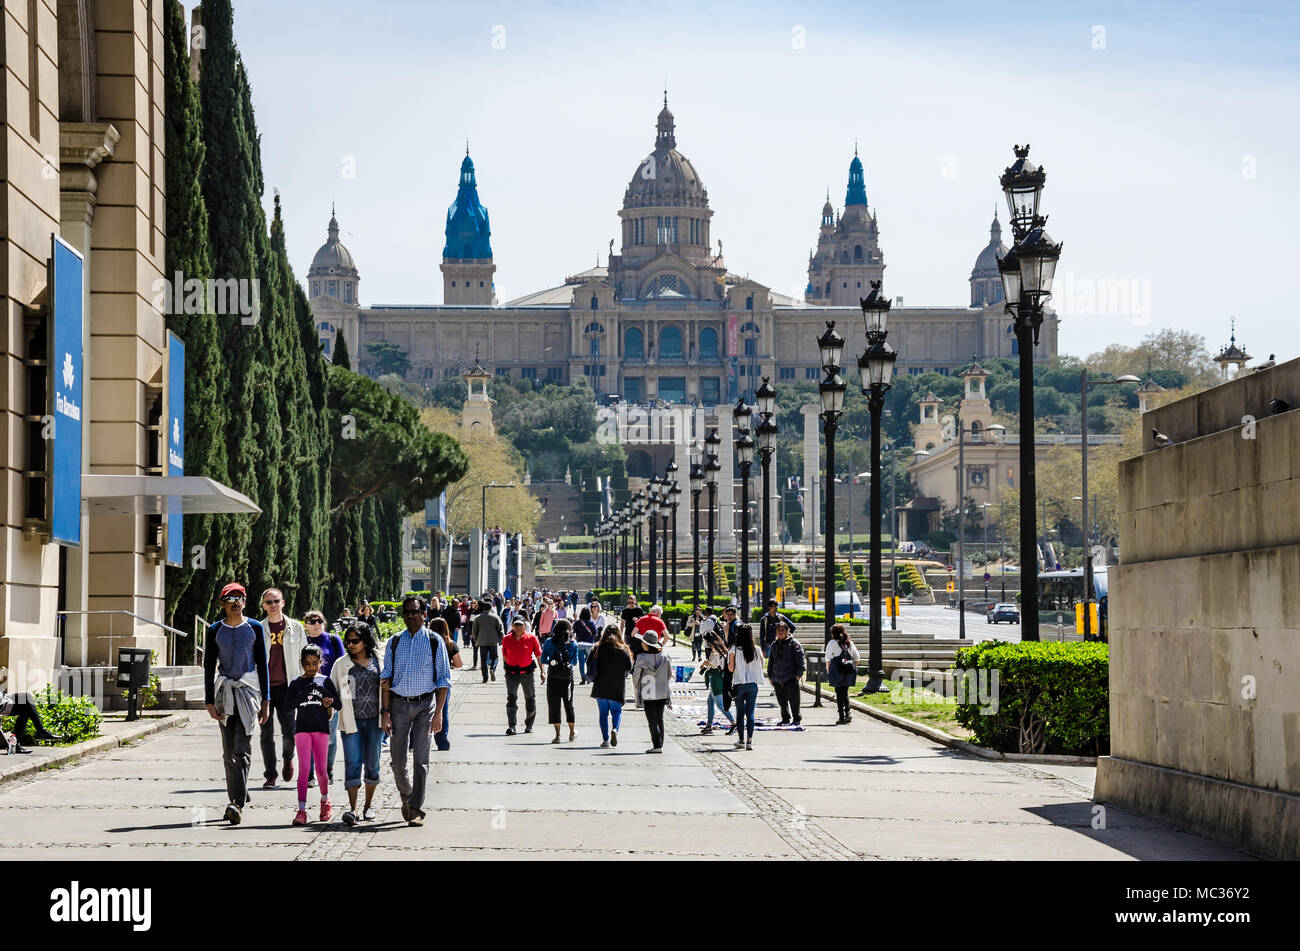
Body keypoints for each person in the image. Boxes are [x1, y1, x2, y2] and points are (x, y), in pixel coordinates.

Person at [381, 596, 452, 827]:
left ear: (424, 614)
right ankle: (407, 796)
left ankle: (416, 808)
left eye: (415, 612)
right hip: (399, 705)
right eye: (407, 612)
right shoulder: (394, 642)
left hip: (425, 706)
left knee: (421, 760)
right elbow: (386, 679)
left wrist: (439, 713)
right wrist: (385, 712)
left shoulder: (434, 641)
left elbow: (443, 680)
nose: (410, 616)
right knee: (397, 761)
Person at [203, 582, 270, 825]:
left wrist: (266, 700)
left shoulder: (253, 627)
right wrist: (209, 700)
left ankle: (236, 803)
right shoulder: (214, 630)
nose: (235, 602)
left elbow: (262, 664)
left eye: (239, 597)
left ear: (244, 602)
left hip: (249, 692)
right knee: (229, 751)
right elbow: (209, 666)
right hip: (224, 694)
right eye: (230, 598)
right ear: (223, 603)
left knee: (242, 749)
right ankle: (238, 793)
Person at [330, 619, 384, 825]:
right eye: (348, 641)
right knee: (353, 763)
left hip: (375, 720)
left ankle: (368, 807)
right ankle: (352, 809)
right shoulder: (342, 664)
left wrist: (388, 715)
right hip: (351, 721)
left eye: (355, 641)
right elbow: (333, 690)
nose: (351, 645)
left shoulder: (379, 660)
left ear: (365, 641)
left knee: (373, 764)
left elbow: (388, 686)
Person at [258, 587, 306, 789]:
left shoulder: (296, 627)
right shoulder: (257, 628)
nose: (273, 605)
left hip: (288, 688)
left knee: (289, 731)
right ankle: (270, 775)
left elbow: (304, 657)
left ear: (283, 603)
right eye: (269, 602)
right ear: (263, 606)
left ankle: (288, 758)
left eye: (276, 601)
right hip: (265, 689)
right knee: (266, 734)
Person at [286, 644, 339, 825]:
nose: (311, 668)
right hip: (302, 730)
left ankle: (325, 801)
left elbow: (337, 703)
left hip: (321, 729)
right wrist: (300, 696)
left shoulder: (325, 681)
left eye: (315, 663)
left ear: (320, 663)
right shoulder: (296, 683)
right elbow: (287, 706)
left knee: (321, 769)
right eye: (307, 664)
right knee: (304, 770)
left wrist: (328, 702)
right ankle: (301, 810)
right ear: (301, 663)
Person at [302, 610, 345, 783]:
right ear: (306, 625)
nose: (316, 623)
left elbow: (342, 665)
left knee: (331, 736)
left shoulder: (333, 640)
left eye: (319, 620)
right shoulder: (302, 641)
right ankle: (311, 774)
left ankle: (328, 769)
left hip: (330, 692)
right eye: (312, 621)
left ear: (324, 622)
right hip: (308, 693)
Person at [588, 627, 632, 748]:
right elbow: (629, 667)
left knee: (603, 714)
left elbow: (589, 663)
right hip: (617, 686)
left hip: (600, 686)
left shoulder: (597, 648)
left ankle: (606, 740)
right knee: (616, 711)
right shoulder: (623, 649)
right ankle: (615, 730)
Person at [631, 631, 672, 753]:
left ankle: (656, 745)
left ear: (646, 644)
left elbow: (636, 676)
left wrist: (637, 687)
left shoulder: (641, 658)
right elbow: (669, 675)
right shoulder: (665, 657)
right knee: (660, 718)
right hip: (662, 690)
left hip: (648, 691)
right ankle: (660, 744)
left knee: (652, 720)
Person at [501, 618, 543, 735]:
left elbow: (539, 655)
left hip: (527, 674)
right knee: (511, 699)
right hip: (512, 674)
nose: (518, 628)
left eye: (521, 625)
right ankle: (512, 726)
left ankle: (529, 725)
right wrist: (506, 669)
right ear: (513, 626)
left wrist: (542, 671)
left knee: (530, 699)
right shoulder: (506, 639)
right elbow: (504, 655)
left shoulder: (531, 638)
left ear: (524, 626)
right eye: (516, 625)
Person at [727, 622, 764, 751]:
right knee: (750, 713)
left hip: (739, 684)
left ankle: (741, 739)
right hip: (753, 684)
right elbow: (762, 665)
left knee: (740, 713)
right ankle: (750, 741)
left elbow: (731, 668)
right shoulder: (756, 649)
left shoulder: (733, 650)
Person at [542, 619, 578, 743]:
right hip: (567, 678)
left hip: (553, 677)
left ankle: (557, 735)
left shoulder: (548, 642)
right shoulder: (573, 644)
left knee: (554, 705)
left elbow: (543, 659)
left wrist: (554, 661)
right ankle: (572, 732)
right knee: (568, 705)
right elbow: (574, 662)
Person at [430, 618, 463, 751]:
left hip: (427, 679)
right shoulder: (450, 644)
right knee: (442, 710)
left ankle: (414, 741)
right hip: (443, 680)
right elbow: (459, 664)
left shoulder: (427, 642)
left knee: (421, 710)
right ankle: (442, 741)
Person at [766, 619, 806, 726]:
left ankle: (796, 718)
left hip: (791, 678)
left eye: (782, 630)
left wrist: (798, 675)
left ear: (787, 631)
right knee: (781, 702)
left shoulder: (794, 644)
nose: (780, 632)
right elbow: (771, 662)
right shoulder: (774, 644)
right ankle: (785, 718)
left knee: (794, 701)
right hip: (777, 678)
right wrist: (770, 676)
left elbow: (801, 662)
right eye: (778, 630)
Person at [0, 688, 66, 751]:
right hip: (1, 702)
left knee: (26, 698)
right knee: (26, 704)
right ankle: (40, 731)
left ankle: (16, 744)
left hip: (3, 697)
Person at [699, 630, 735, 735]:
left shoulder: (717, 652)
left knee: (720, 704)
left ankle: (733, 723)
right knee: (710, 701)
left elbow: (715, 665)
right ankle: (709, 726)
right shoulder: (719, 650)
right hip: (716, 678)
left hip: (716, 680)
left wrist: (706, 663)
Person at [825, 623, 860, 725]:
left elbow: (827, 658)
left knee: (839, 692)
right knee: (845, 691)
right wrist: (853, 667)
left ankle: (841, 716)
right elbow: (857, 658)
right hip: (848, 670)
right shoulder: (849, 643)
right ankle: (848, 712)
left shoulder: (831, 643)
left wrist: (828, 669)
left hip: (836, 670)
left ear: (832, 634)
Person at [472, 599, 504, 683]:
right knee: (495, 657)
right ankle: (493, 668)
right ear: (490, 608)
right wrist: (501, 639)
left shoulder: (477, 618)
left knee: (483, 660)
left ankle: (485, 677)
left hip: (482, 641)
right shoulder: (495, 617)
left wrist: (476, 640)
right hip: (493, 641)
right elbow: (500, 629)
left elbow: (474, 631)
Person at [573, 606, 598, 685]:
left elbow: (572, 631)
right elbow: (595, 633)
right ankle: (589, 678)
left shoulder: (577, 622)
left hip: (580, 643)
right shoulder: (591, 623)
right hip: (589, 644)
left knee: (581, 662)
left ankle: (583, 677)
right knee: (589, 662)